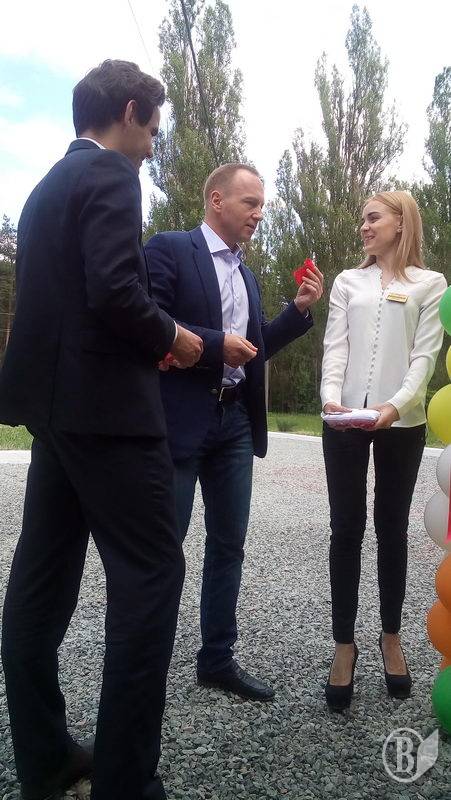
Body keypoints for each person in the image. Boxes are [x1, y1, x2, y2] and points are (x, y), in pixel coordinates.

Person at [0, 59, 203, 800]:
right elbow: (115, 289)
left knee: (41, 582)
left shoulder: (46, 185)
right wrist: (174, 337)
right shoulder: (114, 175)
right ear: (128, 111)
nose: (152, 142)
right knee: (152, 576)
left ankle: (47, 758)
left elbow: (70, 300)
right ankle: (124, 781)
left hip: (54, 414)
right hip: (111, 416)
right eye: (153, 126)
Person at [145, 163, 324, 701]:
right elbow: (148, 320)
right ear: (217, 200)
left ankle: (217, 660)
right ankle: (144, 668)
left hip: (235, 424)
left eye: (262, 205)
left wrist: (297, 312)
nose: (259, 214)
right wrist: (214, 343)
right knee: (163, 548)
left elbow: (254, 345)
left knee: (229, 546)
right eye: (251, 203)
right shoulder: (171, 249)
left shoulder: (247, 276)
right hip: (180, 422)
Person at [320, 190, 447, 712]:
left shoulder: (430, 284)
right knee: (345, 529)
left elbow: (425, 356)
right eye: (362, 219)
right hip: (344, 421)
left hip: (402, 422)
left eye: (373, 217)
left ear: (401, 222)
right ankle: (344, 645)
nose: (364, 227)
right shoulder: (348, 282)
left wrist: (395, 406)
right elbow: (336, 346)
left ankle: (390, 638)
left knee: (391, 528)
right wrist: (331, 398)